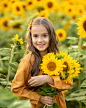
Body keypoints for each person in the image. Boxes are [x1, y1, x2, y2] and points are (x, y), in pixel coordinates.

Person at [11, 17, 73, 108]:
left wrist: (48, 79)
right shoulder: (28, 61)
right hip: (35, 105)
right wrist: (40, 98)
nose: (40, 40)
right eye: (35, 36)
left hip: (56, 104)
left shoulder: (59, 59)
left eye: (44, 35)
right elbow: (16, 89)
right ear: (30, 37)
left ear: (51, 36)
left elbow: (68, 83)